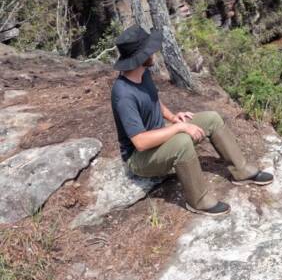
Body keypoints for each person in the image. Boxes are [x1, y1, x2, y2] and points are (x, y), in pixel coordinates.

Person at [109, 25, 273, 216]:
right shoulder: (123, 94)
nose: (154, 51)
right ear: (139, 57)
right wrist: (179, 128)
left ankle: (241, 170)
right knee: (182, 141)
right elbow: (140, 142)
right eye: (149, 49)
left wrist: (173, 117)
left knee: (211, 118)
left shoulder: (143, 73)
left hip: (160, 137)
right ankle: (199, 200)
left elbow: (153, 100)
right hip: (139, 158)